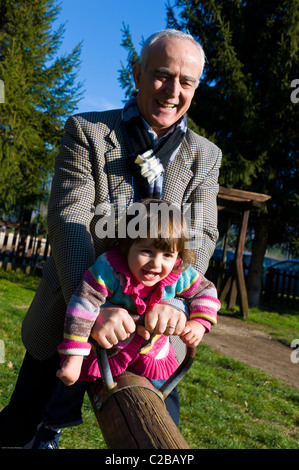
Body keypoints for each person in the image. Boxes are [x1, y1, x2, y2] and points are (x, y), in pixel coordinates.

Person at [0, 29, 222, 448]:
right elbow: (70, 223)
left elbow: (203, 233)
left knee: (155, 438)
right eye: (161, 75)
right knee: (22, 428)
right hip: (70, 315)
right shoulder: (87, 131)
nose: (173, 91)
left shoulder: (205, 156)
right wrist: (91, 307)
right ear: (137, 72)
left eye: (186, 81)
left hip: (152, 336)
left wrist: (173, 302)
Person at [31, 199, 220, 448]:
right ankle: (51, 429)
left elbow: (206, 292)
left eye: (167, 254)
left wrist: (198, 323)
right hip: (107, 345)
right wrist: (74, 358)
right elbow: (82, 307)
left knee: (166, 397)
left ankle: (165, 440)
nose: (156, 263)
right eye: (147, 251)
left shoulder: (179, 273)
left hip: (151, 349)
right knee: (70, 385)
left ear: (178, 256)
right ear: (126, 245)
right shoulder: (109, 270)